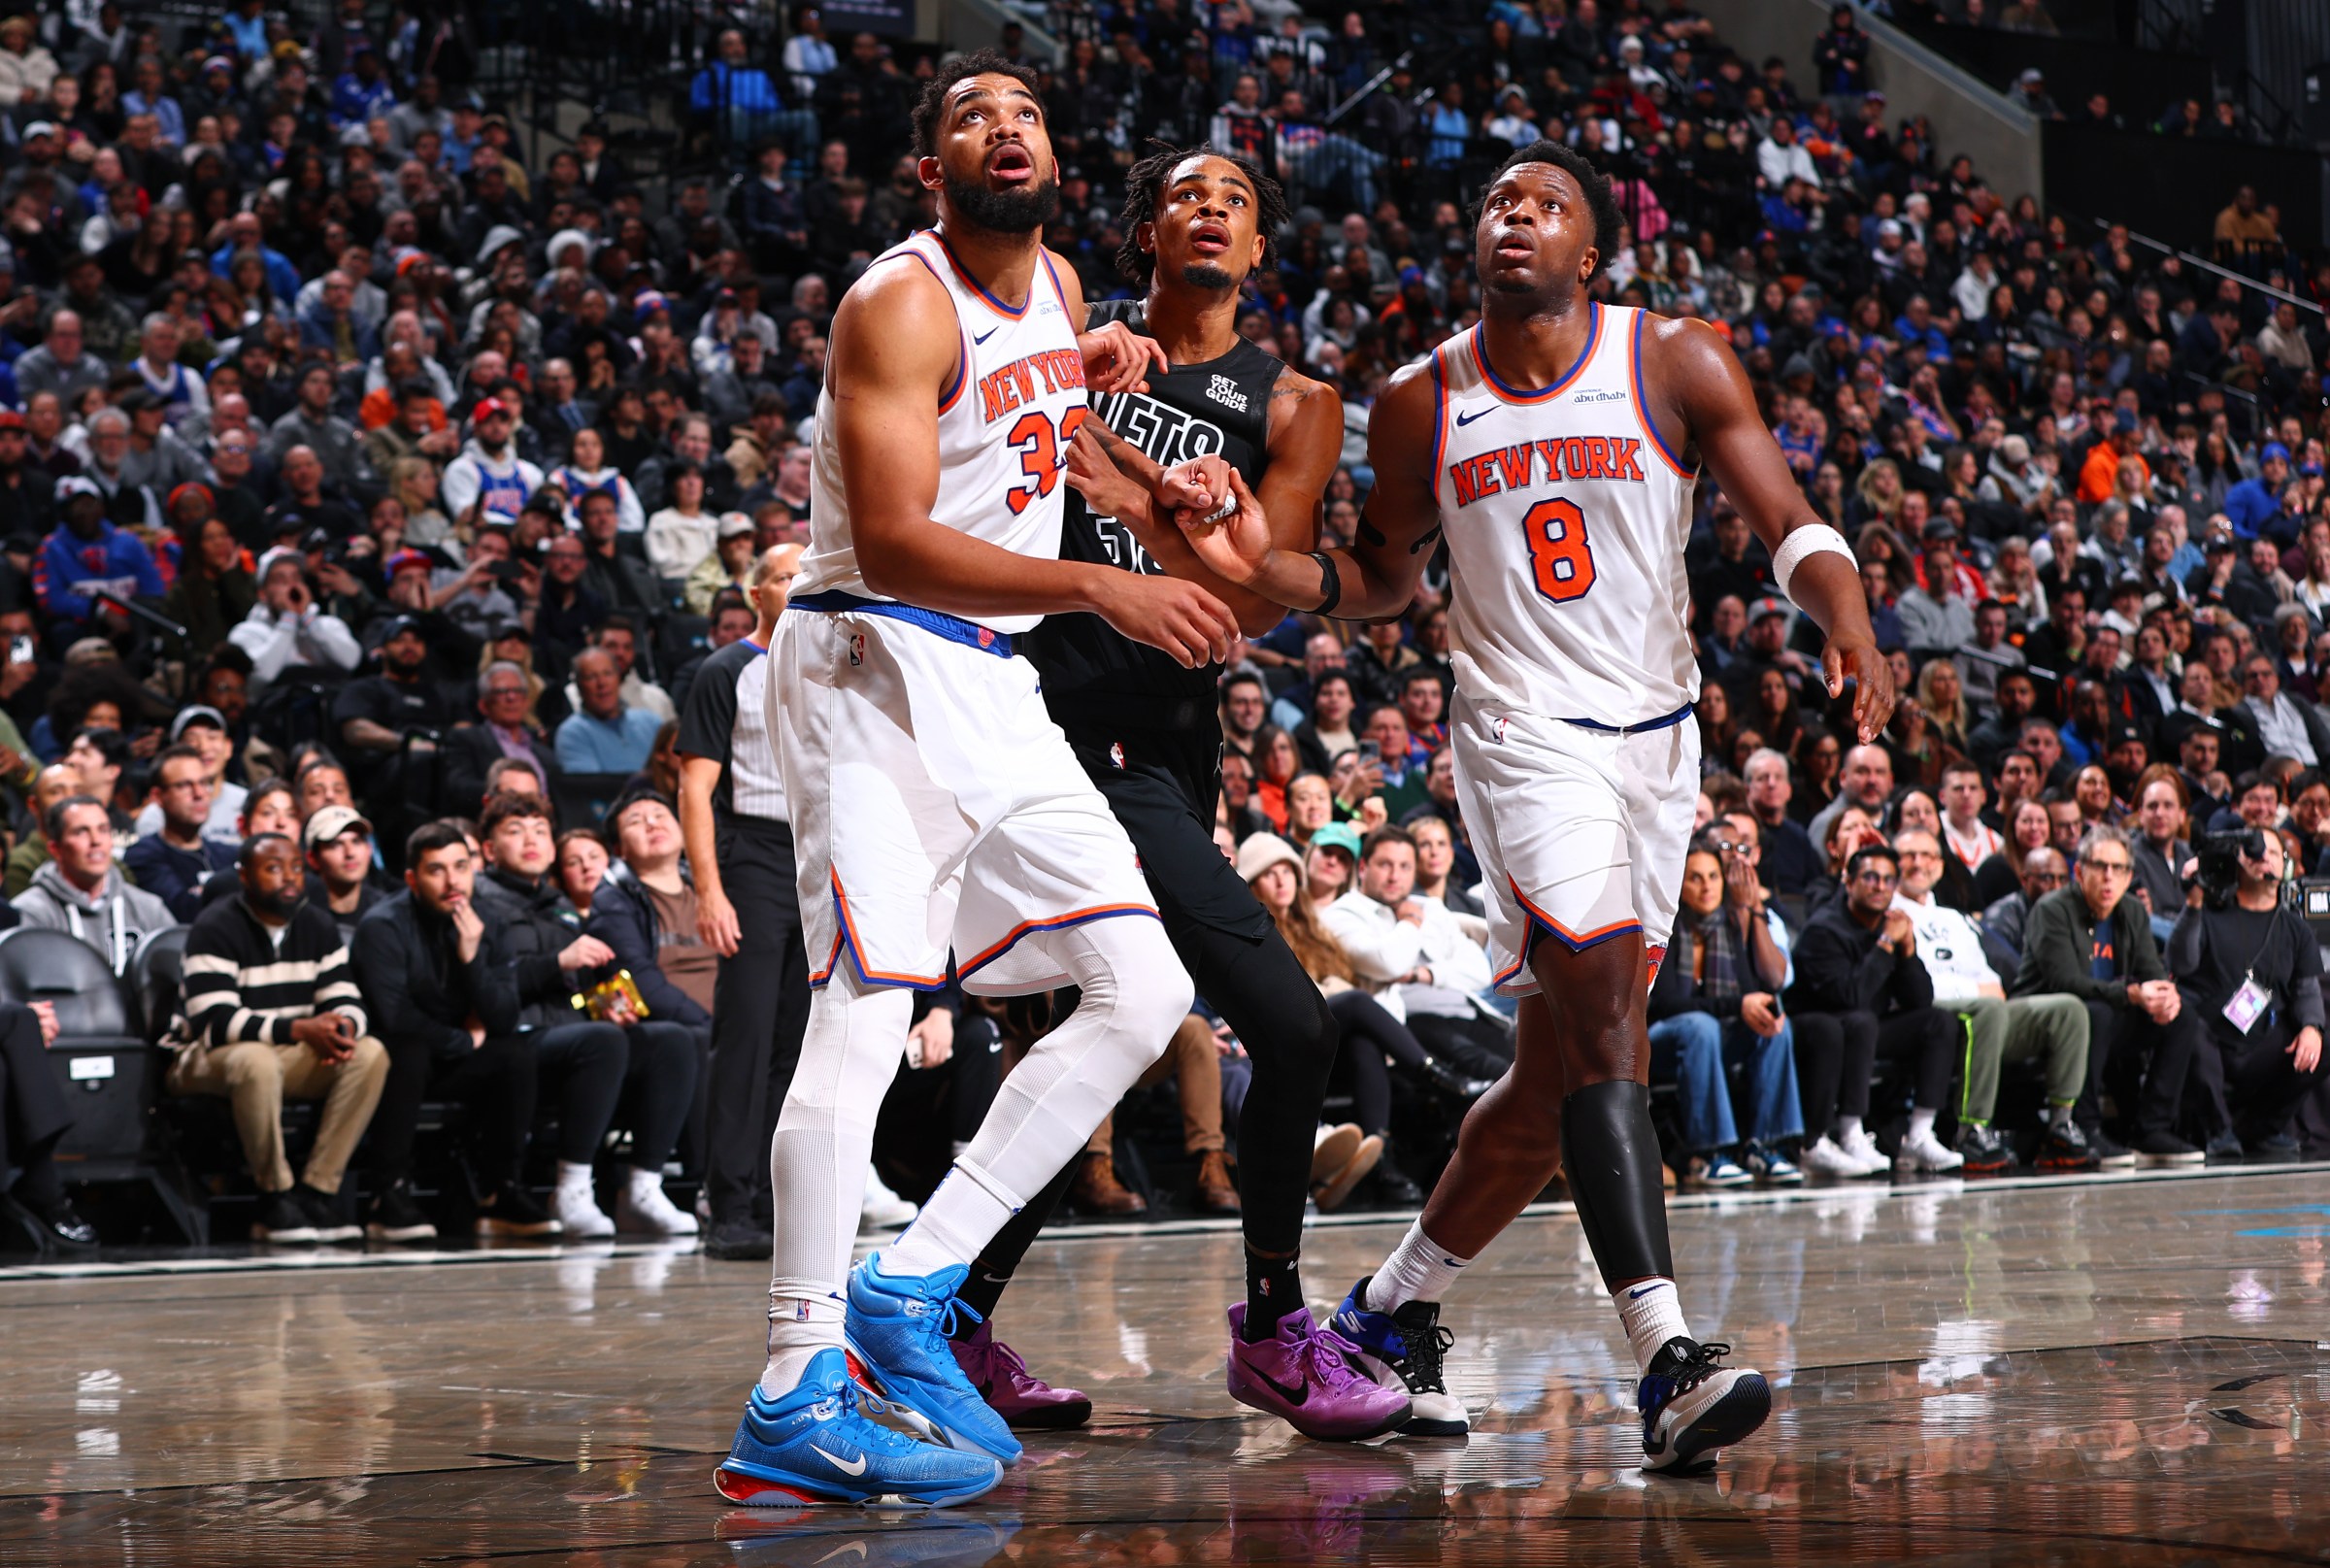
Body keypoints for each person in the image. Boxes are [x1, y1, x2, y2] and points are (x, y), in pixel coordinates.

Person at [1177, 140, 1889, 1473]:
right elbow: (1385, 574)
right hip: (1518, 732)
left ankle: (1387, 1311)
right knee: (1609, 1014)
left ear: (1591, 250)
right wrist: (1261, 564)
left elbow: (1783, 515)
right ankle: (1667, 1356)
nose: (1516, 216)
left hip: (1660, 743)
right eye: (1498, 200)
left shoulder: (1675, 355)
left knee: (1554, 1067)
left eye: (1546, 202)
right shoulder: (1417, 398)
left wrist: (1841, 604)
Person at [720, 54, 1242, 1510]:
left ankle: (916, 1281)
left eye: (1023, 111)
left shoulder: (1064, 287)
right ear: (930, 172)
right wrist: (1103, 584)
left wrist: (1150, 492)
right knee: (869, 1006)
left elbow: (1041, 434)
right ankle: (794, 1383)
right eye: (971, 118)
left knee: (1139, 989)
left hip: (989, 678)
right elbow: (890, 538)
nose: (1005, 127)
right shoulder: (895, 299)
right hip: (869, 660)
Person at [909, 143, 1409, 1435]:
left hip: (1170, 743)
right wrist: (1086, 392)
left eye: (1237, 201)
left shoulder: (1293, 401)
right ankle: (1274, 1324)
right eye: (1188, 193)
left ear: (1258, 250)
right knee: (1288, 1027)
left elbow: (1254, 590)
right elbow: (970, 431)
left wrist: (1142, 489)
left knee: (1090, 1044)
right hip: (1045, 718)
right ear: (1142, 232)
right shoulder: (1072, 338)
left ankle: (948, 1319)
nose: (1212, 210)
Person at [472, 792, 699, 1236]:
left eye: (540, 831)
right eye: (514, 832)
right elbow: (486, 988)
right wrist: (556, 963)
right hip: (515, 1038)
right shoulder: (480, 904)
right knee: (603, 1042)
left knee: (670, 1037)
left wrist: (603, 1004)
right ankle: (572, 1187)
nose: (530, 840)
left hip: (576, 1032)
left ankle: (643, 1186)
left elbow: (579, 991)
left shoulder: (560, 904)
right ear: (488, 849)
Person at [675, 548, 813, 1259]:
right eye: (786, 574)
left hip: (818, 851)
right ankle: (727, 1200)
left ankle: (775, 1198)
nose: (799, 582)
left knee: (799, 1041)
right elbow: (694, 787)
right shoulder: (725, 669)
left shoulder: (829, 661)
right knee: (747, 1037)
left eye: (807, 571)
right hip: (752, 854)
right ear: (755, 591)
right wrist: (709, 889)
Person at [165, 833, 389, 1245]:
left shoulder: (316, 923)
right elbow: (215, 1023)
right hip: (200, 1059)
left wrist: (342, 1028)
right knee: (255, 1059)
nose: (288, 878)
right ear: (245, 876)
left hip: (283, 1057)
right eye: (273, 869)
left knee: (369, 1053)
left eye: (296, 868)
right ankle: (274, 1197)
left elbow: (348, 999)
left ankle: (317, 1192)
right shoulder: (214, 926)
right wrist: (300, 1030)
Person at [350, 820, 561, 1241]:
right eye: (437, 870)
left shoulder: (488, 923)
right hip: (406, 1060)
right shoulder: (383, 926)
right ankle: (387, 1194)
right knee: (405, 1050)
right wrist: (462, 1040)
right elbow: (395, 1017)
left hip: (458, 1057)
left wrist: (471, 961)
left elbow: (502, 1017)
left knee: (515, 1054)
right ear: (412, 878)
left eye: (461, 867)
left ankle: (502, 1191)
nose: (453, 882)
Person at [1889, 829, 2093, 1173]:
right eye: (1909, 856)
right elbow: (1919, 989)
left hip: (1984, 1010)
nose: (1919, 864)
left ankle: (2060, 1124)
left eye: (1928, 855)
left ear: (1940, 865)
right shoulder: (1889, 914)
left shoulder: (1955, 918)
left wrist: (1964, 989)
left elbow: (1994, 984)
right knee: (1987, 1009)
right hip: (1930, 1018)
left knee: (2067, 1009)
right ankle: (1971, 1129)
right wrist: (1968, 991)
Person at [2013, 823, 2200, 1168]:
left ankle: (2152, 1129)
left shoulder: (2130, 911)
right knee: (2092, 1012)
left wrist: (2163, 994)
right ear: (2080, 871)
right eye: (2100, 867)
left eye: (2119, 869)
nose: (2109, 877)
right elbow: (2064, 982)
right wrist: (2132, 994)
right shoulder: (2052, 909)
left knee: (2183, 1016)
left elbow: (2150, 968)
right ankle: (2084, 1127)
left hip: (2108, 1015)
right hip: (2047, 1019)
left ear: (2130, 876)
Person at [1783, 844, 1960, 1176]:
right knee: (1860, 1021)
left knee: (1938, 1021)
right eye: (1870, 877)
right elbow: (1850, 996)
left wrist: (1907, 951)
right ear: (1848, 882)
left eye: (1889, 880)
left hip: (1864, 1028)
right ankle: (1846, 1135)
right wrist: (1885, 946)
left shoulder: (1891, 925)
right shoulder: (1823, 930)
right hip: (1819, 1027)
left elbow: (1919, 1000)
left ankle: (1919, 1135)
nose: (1880, 886)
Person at [1646, 842, 1803, 1187]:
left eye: (1714, 876)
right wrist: (1738, 1006)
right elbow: (1666, 1003)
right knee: (1700, 1027)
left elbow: (1747, 991)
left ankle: (1766, 1146)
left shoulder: (1731, 924)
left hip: (1712, 1040)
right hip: (1660, 1043)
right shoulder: (1663, 929)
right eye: (1695, 878)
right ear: (1679, 884)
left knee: (1774, 1025)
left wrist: (1762, 1009)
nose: (1707, 886)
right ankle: (1711, 1154)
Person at [2165, 829, 2327, 1156]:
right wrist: (2194, 904)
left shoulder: (2296, 928)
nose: (2263, 858)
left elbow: (2307, 989)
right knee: (2188, 1025)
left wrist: (2312, 1028)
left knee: (2323, 1040)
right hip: (2210, 1039)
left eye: (2272, 852)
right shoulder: (2209, 912)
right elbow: (2180, 964)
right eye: (2254, 851)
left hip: (2261, 1043)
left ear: (2285, 866)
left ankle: (2262, 1130)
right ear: (2236, 861)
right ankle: (2218, 1131)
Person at [11, 795, 175, 973]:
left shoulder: (148, 908)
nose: (96, 841)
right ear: (55, 849)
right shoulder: (30, 913)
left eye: (103, 830)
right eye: (81, 831)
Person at [121, 742, 238, 919]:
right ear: (157, 797)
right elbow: (181, 910)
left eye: (204, 782)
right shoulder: (143, 855)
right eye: (184, 785)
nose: (199, 793)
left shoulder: (229, 854)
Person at [555, 646, 661, 774]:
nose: (602, 683)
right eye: (591, 677)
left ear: (619, 679)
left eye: (608, 673)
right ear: (579, 686)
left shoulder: (650, 722)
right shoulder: (572, 732)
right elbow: (592, 787)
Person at [303, 804, 385, 942]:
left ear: (369, 850)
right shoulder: (300, 914)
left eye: (356, 841)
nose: (350, 853)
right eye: (336, 844)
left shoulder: (385, 911)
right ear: (313, 858)